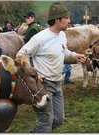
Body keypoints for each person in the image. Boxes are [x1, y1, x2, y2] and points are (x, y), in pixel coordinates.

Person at [16, 2, 87, 133]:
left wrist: (75, 56)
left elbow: (63, 52)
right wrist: (34, 75)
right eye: (66, 18)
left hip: (57, 84)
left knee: (58, 119)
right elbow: (21, 54)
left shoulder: (62, 35)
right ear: (57, 20)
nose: (69, 21)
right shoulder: (39, 38)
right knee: (46, 122)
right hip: (43, 86)